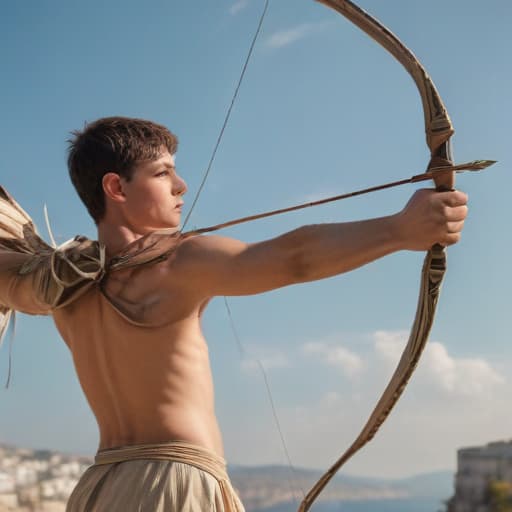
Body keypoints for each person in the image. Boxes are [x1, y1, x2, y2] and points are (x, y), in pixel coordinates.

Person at [0, 116, 468, 511]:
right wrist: (401, 229)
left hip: (99, 489)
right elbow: (295, 257)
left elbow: (14, 278)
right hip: (177, 484)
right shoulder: (177, 261)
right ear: (115, 187)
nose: (181, 185)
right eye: (163, 174)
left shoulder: (54, 286)